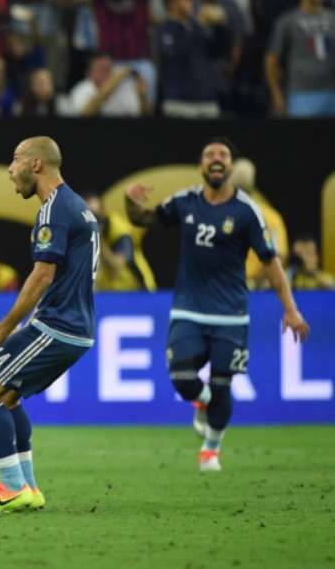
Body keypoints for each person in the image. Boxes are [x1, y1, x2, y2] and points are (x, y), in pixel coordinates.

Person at [124, 137, 310, 472]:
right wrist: (130, 205)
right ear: (201, 165)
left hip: (231, 314)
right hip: (188, 308)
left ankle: (211, 448)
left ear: (230, 167)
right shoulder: (185, 201)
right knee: (181, 376)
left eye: (223, 155)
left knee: (223, 383)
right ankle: (204, 403)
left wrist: (291, 308)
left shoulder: (247, 212)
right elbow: (145, 220)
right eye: (209, 154)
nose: (216, 159)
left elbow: (271, 262)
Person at [0, 137, 98, 513]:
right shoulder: (76, 206)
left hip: (59, 325)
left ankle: (11, 488)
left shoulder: (54, 209)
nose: (10, 169)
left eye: (15, 159)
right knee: (6, 397)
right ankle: (29, 488)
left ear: (36, 164)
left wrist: (8, 325)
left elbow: (42, 275)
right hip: (73, 325)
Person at [154, 0, 230, 118]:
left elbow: (219, 51)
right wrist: (198, 26)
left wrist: (220, 27)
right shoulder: (165, 29)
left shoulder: (197, 27)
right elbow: (173, 54)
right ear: (171, 3)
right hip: (178, 102)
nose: (190, 3)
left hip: (206, 100)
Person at [265, 0, 335, 117]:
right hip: (302, 95)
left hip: (333, 93)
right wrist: (276, 94)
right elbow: (271, 60)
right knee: (305, 137)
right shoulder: (288, 20)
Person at [230, 158, 288, 289]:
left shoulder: (270, 217)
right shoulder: (271, 216)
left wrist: (255, 283)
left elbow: (278, 256)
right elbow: (279, 257)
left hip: (255, 290)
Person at [83, 192, 155, 291]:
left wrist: (98, 239)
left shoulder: (119, 230)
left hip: (137, 292)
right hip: (109, 294)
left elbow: (117, 266)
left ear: (103, 211)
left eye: (95, 215)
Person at [60, 51, 149, 117]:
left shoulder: (124, 88)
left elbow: (144, 116)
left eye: (109, 70)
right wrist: (113, 83)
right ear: (90, 73)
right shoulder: (82, 89)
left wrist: (142, 96)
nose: (107, 74)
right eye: (102, 70)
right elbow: (85, 114)